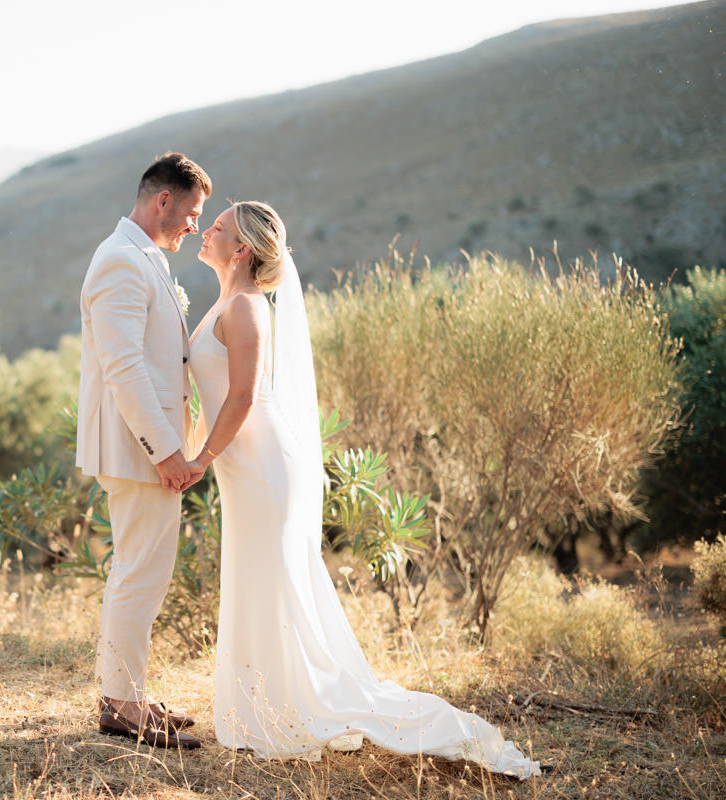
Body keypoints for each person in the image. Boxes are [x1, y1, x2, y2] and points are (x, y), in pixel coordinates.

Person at [186, 200, 543, 779]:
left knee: (274, 578)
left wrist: (200, 457)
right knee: (255, 577)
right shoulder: (226, 302)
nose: (207, 231)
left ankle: (299, 708)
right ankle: (260, 707)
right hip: (242, 465)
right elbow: (214, 392)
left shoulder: (247, 308)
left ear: (242, 249)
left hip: (263, 466)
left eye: (219, 227)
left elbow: (244, 398)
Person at [75, 152, 212, 749]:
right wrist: (166, 452)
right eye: (192, 212)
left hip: (146, 449)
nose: (195, 226)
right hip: (139, 451)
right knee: (139, 574)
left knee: (142, 572)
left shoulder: (142, 257)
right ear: (163, 200)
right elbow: (125, 367)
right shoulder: (120, 261)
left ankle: (123, 693)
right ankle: (124, 706)